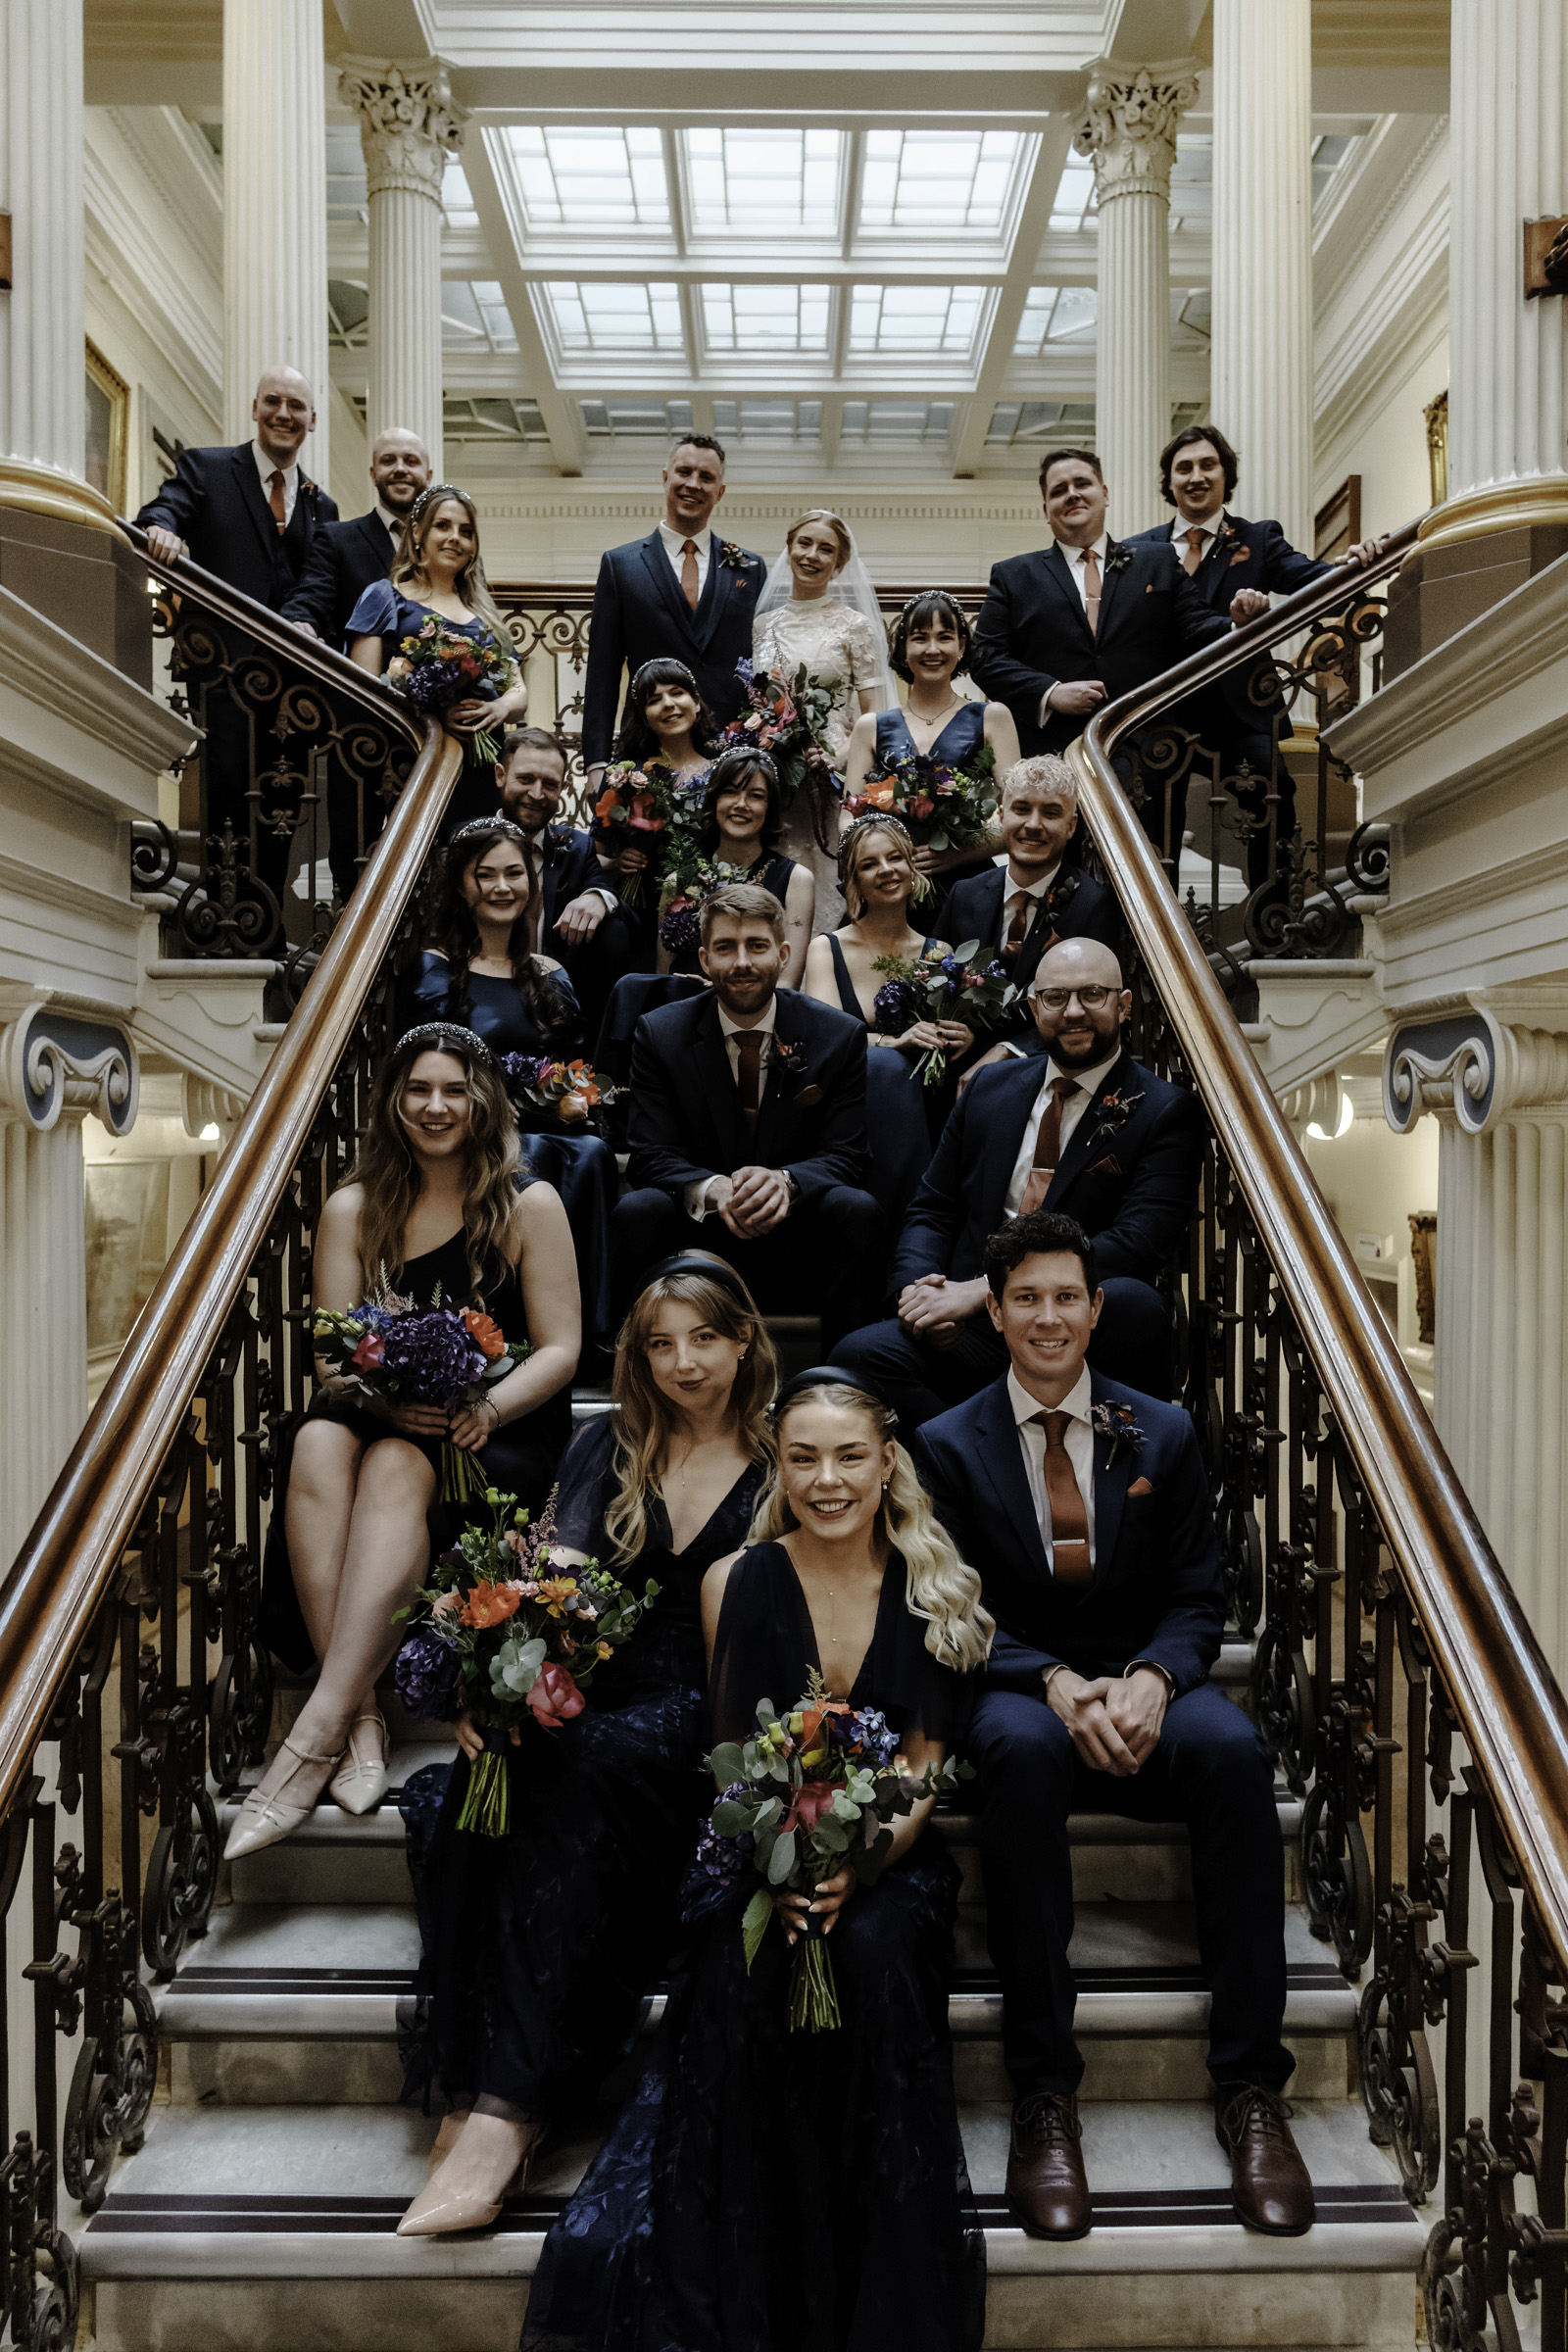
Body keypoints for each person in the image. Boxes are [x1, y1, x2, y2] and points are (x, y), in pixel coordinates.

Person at [520, 1367, 991, 2351]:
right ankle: (757, 2243)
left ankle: (857, 2246)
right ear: (779, 1462)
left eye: (850, 1456)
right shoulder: (735, 1581)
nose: (828, 1479)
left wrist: (851, 1864)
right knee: (742, 1975)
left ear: (886, 1462)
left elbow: (922, 1765)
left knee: (866, 1953)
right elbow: (735, 1764)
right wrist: (785, 1866)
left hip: (891, 1854)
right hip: (758, 1853)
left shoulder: (933, 1585)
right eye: (806, 1456)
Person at [912, 1212, 1313, 2241]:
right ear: (993, 1313)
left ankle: (1251, 2090)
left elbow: (1196, 1597)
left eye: (1067, 1298)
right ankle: (1045, 2096)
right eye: (1026, 1299)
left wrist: (1151, 1680)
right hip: (1018, 1690)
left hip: (1142, 1691)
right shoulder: (944, 1446)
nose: (1049, 1318)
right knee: (1017, 1752)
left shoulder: (1161, 1432)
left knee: (1231, 1750)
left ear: (1097, 1310)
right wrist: (1047, 1680)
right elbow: (945, 1609)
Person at [396, 1253, 779, 2236]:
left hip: (723, 1707)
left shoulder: (786, 1459)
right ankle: (483, 2090)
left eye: (703, 1339)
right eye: (658, 1345)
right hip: (604, 1689)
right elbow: (555, 1586)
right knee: (506, 1763)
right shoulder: (608, 1447)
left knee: (581, 1763)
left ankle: (507, 2110)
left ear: (744, 1342)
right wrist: (503, 1678)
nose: (683, 1363)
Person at [232, 1024, 579, 1861]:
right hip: (383, 1413)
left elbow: (565, 1348)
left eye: (454, 1090)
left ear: (482, 1100)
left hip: (494, 1429)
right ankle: (356, 1719)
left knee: (393, 1466)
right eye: (418, 1090)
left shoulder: (529, 1203)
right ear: (392, 1101)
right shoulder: (356, 1207)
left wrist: (488, 1406)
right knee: (319, 1443)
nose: (435, 1107)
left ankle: (312, 1734)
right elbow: (331, 1354)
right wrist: (386, 1403)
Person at [830, 936, 1203, 1423]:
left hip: (1070, 1321)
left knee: (1137, 1304)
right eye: (1055, 997)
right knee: (856, 1358)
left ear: (1124, 1004)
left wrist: (990, 1289)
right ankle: (969, 1463)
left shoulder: (1163, 1110)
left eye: (1092, 994)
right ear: (1033, 1006)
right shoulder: (990, 1087)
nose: (1073, 1011)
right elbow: (933, 1207)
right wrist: (921, 1295)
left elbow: (1137, 1242)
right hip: (974, 1324)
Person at [612, 884, 882, 1350]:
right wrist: (712, 1188)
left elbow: (848, 1155)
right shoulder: (660, 1033)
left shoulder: (837, 1035)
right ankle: (643, 1369)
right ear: (703, 959)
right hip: (702, 1235)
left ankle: (847, 1376)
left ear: (781, 954)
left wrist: (785, 1181)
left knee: (856, 1209)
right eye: (725, 948)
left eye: (756, 946)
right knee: (638, 1210)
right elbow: (649, 1155)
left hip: (796, 1235)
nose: (742, 963)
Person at [1125, 424, 1388, 885]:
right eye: (1183, 468)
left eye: (1208, 465)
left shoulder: (1258, 538)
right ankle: (1149, 929)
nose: (1196, 476)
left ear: (1226, 475)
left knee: (1275, 793)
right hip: (1164, 712)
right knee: (1148, 816)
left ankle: (1276, 919)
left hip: (1240, 706)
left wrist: (1354, 566)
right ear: (1168, 483)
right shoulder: (1137, 551)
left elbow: (1313, 581)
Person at [397, 818, 616, 1363]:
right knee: (534, 1155)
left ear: (530, 882)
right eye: (485, 874)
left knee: (592, 1153)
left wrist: (572, 1097)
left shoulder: (549, 972)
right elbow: (428, 1063)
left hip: (548, 1125)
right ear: (461, 886)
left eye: (514, 873)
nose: (501, 887)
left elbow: (572, 1065)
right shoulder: (436, 971)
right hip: (467, 1130)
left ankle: (586, 1332)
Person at [136, 365, 340, 907]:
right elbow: (165, 508)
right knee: (226, 797)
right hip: (224, 674)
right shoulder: (207, 468)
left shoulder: (323, 506)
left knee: (283, 804)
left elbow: (322, 587)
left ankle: (264, 921)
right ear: (254, 409)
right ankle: (223, 921)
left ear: (312, 420)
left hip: (293, 690)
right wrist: (163, 528)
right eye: (272, 401)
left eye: (296, 406)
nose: (283, 414)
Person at [968, 446, 1234, 859]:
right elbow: (985, 657)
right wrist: (1050, 692)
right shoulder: (1014, 575)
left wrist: (1239, 621)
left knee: (1152, 873)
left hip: (1152, 755)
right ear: (1046, 508)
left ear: (1104, 493)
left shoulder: (1158, 561)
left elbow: (1198, 629)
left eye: (1082, 484)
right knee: (1061, 882)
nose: (1072, 494)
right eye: (1059, 490)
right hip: (1056, 760)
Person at [581, 435, 766, 783]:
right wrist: (595, 761)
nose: (693, 484)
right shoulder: (621, 566)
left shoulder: (750, 568)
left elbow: (763, 664)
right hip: (647, 750)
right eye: (684, 472)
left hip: (731, 750)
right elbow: (602, 671)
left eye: (706, 477)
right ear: (665, 477)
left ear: (720, 491)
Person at [347, 483, 528, 833]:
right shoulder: (385, 596)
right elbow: (364, 690)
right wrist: (431, 712)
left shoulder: (485, 614)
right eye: (442, 526)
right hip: (414, 760)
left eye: (465, 531)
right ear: (417, 533)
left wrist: (499, 709)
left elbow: (518, 691)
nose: (454, 538)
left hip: (481, 766)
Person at [801, 814, 956, 1221]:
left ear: (911, 865)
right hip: (847, 1110)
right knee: (885, 1064)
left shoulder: (941, 952)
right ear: (854, 881)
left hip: (926, 1108)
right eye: (869, 864)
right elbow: (825, 1041)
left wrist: (960, 1034)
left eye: (894, 858)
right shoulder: (825, 949)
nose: (886, 871)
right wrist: (893, 1042)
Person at [753, 507, 895, 910]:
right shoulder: (763, 626)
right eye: (805, 543)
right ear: (789, 548)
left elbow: (876, 715)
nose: (812, 555)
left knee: (826, 881)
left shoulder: (855, 626)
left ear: (838, 564)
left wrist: (837, 760)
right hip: (779, 775)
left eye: (825, 549)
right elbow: (763, 701)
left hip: (833, 775)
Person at [942, 757, 1121, 1062]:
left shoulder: (1093, 904)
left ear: (1071, 826)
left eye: (1051, 813)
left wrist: (1008, 1050)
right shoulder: (965, 893)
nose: (1034, 825)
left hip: (1045, 1061)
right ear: (1001, 815)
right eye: (1021, 809)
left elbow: (1092, 1009)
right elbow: (941, 981)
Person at [841, 589, 1018, 888]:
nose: (932, 649)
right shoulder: (870, 726)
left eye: (945, 637)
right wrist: (886, 854)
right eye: (920, 638)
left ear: (961, 645)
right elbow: (848, 815)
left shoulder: (993, 717)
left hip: (966, 882)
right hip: (889, 881)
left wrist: (957, 853)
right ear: (903, 648)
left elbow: (1016, 810)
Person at [492, 725, 633, 1045]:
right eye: (526, 779)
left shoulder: (577, 846)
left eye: (550, 784)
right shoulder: (467, 843)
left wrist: (599, 896)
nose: (537, 794)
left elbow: (606, 888)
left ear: (563, 788)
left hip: (555, 1012)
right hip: (485, 998)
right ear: (501, 775)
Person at [662, 747, 815, 987]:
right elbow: (661, 978)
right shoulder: (677, 881)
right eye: (730, 792)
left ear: (769, 807)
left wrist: (725, 992)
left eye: (755, 796)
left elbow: (788, 984)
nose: (741, 804)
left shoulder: (796, 880)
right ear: (715, 800)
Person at [280, 426, 433, 647]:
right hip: (362, 677)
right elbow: (312, 597)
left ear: (428, 476)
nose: (400, 469)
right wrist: (299, 622)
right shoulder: (337, 539)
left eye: (411, 461)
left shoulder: (448, 545)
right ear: (373, 474)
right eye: (388, 461)